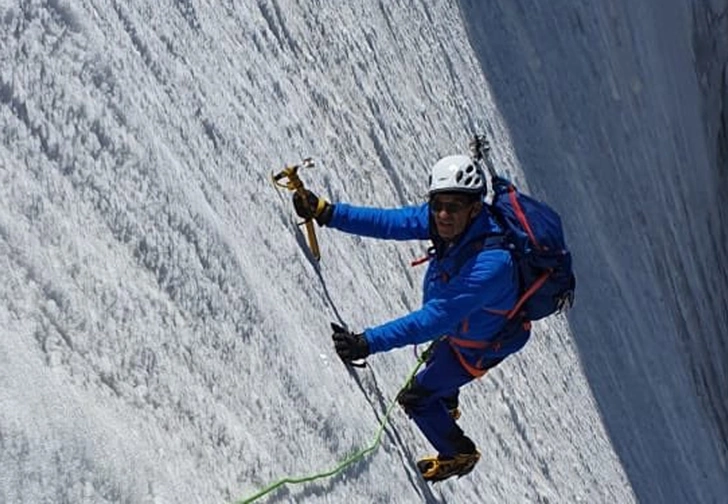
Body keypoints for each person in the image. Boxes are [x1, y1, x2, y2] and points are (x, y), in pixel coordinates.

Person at [292, 154, 530, 483]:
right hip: (463, 327)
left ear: (475, 208)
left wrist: (367, 342)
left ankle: (458, 453)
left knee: (417, 398)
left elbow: (434, 320)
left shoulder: (492, 265)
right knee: (438, 362)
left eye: (455, 206)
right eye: (438, 204)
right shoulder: (449, 222)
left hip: (481, 344)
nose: (444, 215)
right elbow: (391, 223)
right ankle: (446, 398)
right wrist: (327, 213)